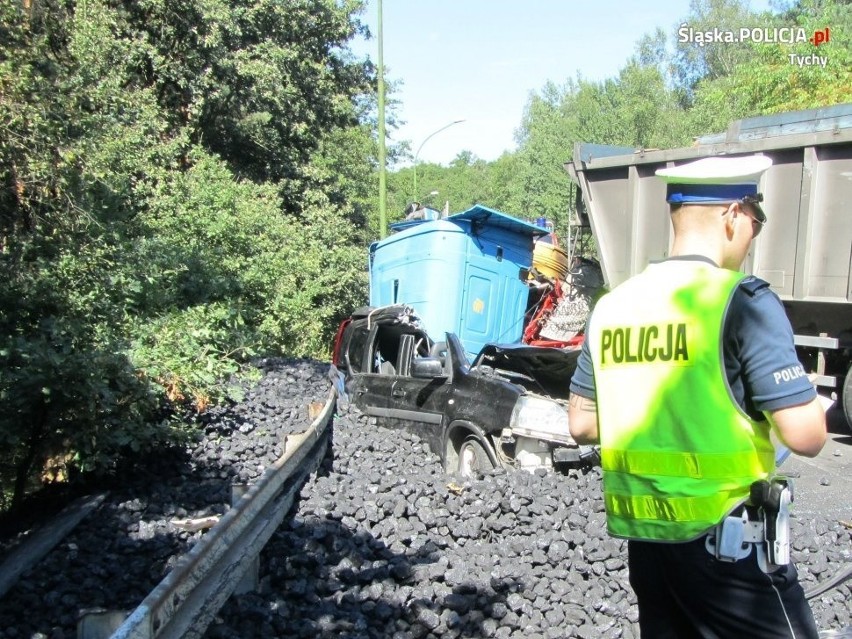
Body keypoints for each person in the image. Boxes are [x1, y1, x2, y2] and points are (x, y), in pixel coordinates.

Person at [568, 155, 827, 639]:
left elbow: (582, 423)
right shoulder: (741, 300)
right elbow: (807, 435)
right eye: (757, 219)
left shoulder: (612, 307)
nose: (755, 232)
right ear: (733, 215)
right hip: (730, 552)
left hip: (650, 553)